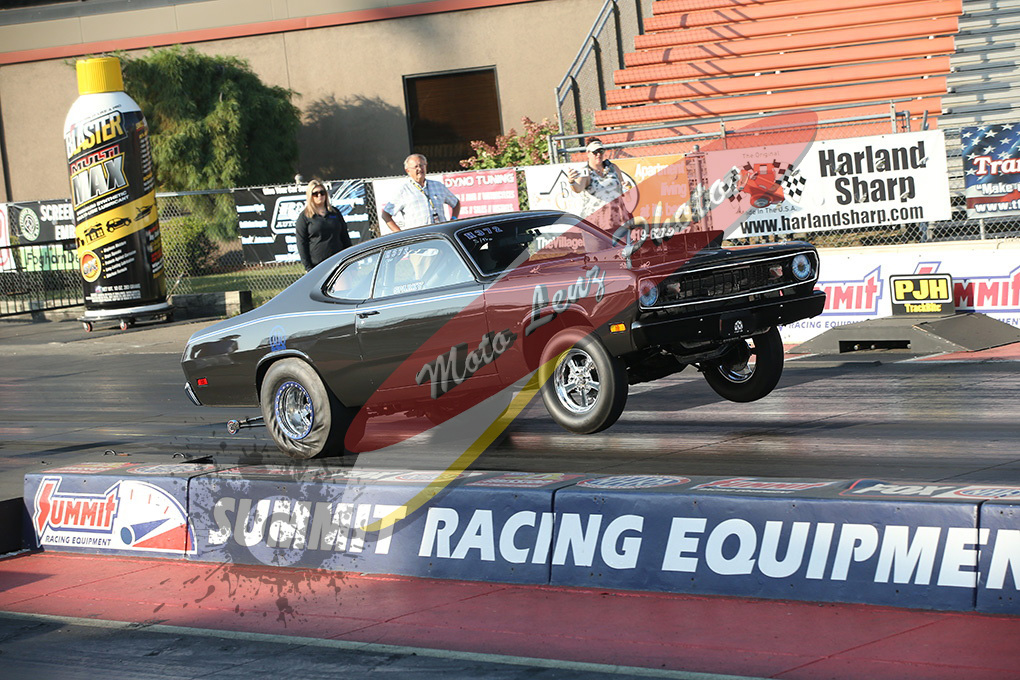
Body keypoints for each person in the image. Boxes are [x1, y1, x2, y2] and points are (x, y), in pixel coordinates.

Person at [381, 154, 461, 232]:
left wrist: (453, 219)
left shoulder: (438, 186)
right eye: (415, 167)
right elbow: (386, 215)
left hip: (440, 234)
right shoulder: (403, 191)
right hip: (419, 237)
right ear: (408, 170)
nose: (419, 169)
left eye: (421, 165)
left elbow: (456, 203)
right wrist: (400, 234)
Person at [567, 138, 630, 230]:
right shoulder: (586, 172)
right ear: (588, 153)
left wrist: (626, 186)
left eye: (601, 151)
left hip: (617, 220)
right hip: (595, 224)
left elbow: (623, 188)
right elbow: (578, 188)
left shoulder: (613, 168)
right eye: (595, 152)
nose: (599, 154)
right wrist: (571, 182)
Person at [295, 179, 352, 271]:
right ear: (310, 196)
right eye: (315, 194)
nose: (319, 196)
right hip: (318, 265)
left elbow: (345, 236)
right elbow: (301, 243)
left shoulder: (335, 212)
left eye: (322, 193)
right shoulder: (305, 216)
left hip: (339, 262)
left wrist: (350, 259)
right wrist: (308, 267)